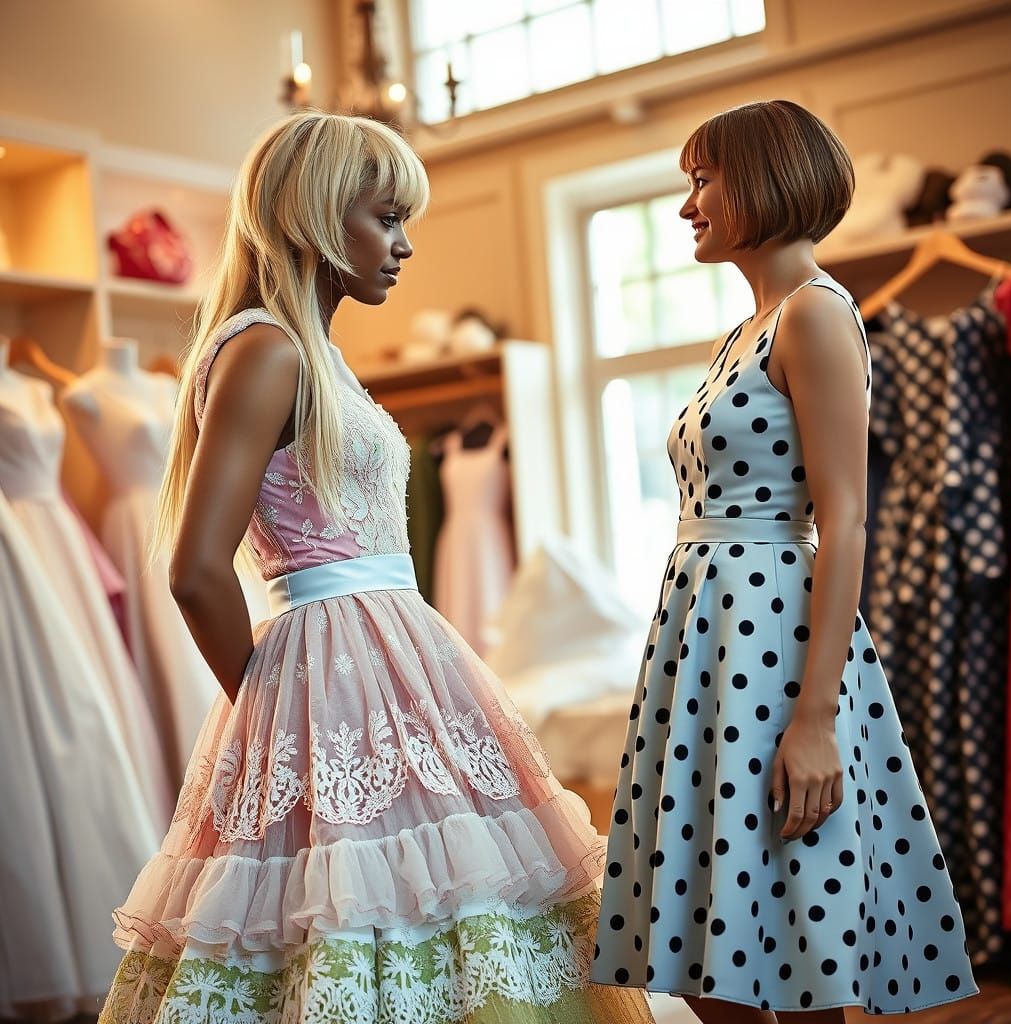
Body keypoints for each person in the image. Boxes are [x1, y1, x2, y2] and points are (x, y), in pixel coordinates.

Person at [98, 111, 653, 1024]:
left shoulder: (308, 354)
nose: (403, 246)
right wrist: (274, 701)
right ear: (317, 217)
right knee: (362, 919)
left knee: (433, 914)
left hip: (385, 661)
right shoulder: (268, 351)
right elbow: (196, 568)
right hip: (338, 667)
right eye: (385, 218)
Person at [589, 100, 978, 1021]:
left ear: (762, 178)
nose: (688, 205)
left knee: (798, 941)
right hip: (708, 643)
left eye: (701, 179)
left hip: (772, 648)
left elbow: (845, 521)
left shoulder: (814, 314)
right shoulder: (750, 326)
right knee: (711, 957)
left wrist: (813, 721)